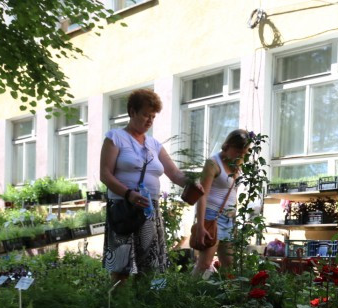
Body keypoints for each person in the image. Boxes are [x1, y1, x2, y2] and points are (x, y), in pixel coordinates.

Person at [100, 88, 201, 279]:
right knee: (122, 267)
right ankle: (117, 307)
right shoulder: (115, 138)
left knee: (151, 266)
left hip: (149, 210)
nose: (150, 120)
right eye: (146, 114)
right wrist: (129, 194)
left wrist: (192, 182)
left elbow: (174, 173)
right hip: (124, 208)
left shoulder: (154, 144)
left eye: (153, 116)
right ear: (132, 111)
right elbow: (105, 175)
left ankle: (148, 305)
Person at [191, 129, 252, 277]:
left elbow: (233, 194)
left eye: (244, 153)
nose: (240, 156)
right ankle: (188, 296)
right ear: (227, 146)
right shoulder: (213, 163)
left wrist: (235, 221)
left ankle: (227, 298)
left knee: (229, 264)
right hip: (212, 217)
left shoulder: (238, 165)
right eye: (237, 151)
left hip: (229, 219)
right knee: (205, 264)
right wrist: (200, 225)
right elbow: (202, 195)